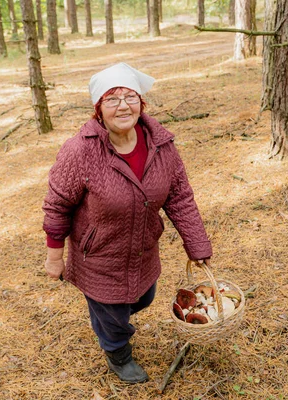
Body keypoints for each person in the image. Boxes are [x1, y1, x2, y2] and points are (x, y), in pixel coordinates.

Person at [42, 62, 212, 383]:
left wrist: (197, 244)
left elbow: (180, 197)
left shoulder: (161, 146)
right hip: (100, 257)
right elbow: (57, 205)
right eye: (112, 99)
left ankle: (106, 316)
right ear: (98, 109)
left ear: (141, 103)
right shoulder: (79, 152)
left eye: (130, 96)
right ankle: (118, 352)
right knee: (115, 318)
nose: (123, 105)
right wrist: (55, 256)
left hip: (143, 250)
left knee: (144, 298)